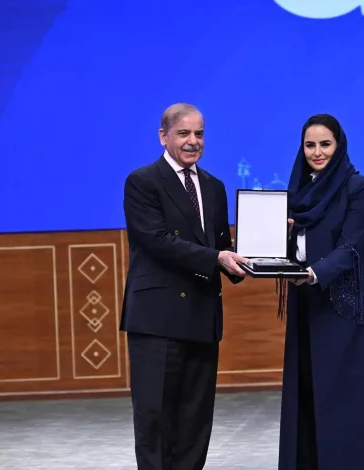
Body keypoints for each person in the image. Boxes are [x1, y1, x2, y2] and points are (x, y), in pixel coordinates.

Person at [121, 103, 249, 470]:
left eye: (199, 134)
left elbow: (221, 245)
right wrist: (217, 258)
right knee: (156, 417)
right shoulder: (143, 182)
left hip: (202, 315)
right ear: (163, 137)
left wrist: (257, 258)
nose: (193, 141)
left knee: (195, 419)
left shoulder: (213, 186)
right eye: (184, 133)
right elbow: (157, 241)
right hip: (158, 319)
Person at [276, 114, 364, 469]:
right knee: (310, 392)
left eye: (325, 144)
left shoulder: (358, 188)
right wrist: (279, 242)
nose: (317, 152)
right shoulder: (296, 195)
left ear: (339, 145)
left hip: (348, 306)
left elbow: (352, 247)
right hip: (308, 304)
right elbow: (294, 251)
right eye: (310, 145)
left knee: (351, 399)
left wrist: (314, 273)